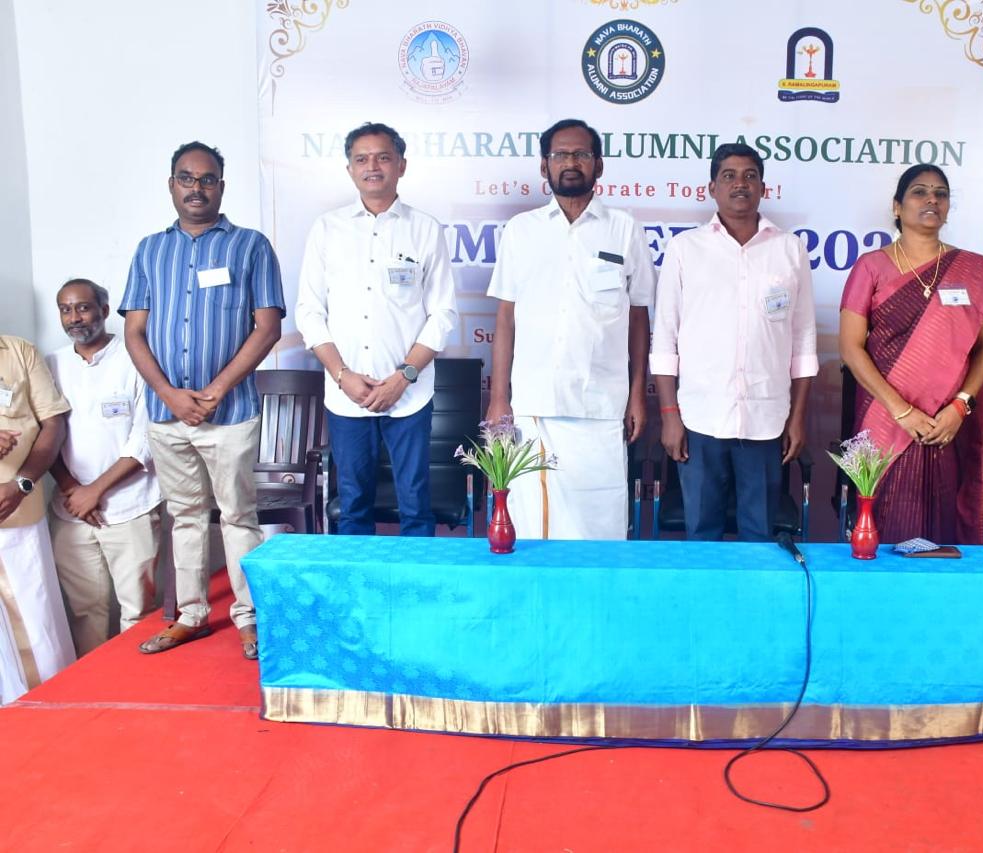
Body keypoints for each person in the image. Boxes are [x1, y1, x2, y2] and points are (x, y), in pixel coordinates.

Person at [120, 141, 286, 660]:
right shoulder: (149, 250)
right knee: (186, 516)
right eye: (187, 179)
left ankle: (249, 618)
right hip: (167, 414)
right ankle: (191, 616)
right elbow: (134, 332)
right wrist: (168, 394)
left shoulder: (251, 246)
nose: (197, 188)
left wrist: (215, 391)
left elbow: (267, 327)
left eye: (207, 179)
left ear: (222, 186)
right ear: (172, 185)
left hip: (230, 414)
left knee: (238, 516)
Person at [485, 118, 654, 540]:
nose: (571, 162)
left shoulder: (624, 228)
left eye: (581, 154)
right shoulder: (521, 230)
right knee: (533, 527)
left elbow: (638, 317)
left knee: (600, 524)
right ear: (544, 166)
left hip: (601, 405)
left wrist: (637, 393)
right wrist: (499, 397)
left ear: (599, 165)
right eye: (560, 154)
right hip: (534, 405)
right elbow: (505, 318)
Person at [296, 122, 458, 536]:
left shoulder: (425, 229)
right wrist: (343, 375)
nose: (373, 167)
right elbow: (309, 312)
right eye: (362, 159)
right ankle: (358, 581)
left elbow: (443, 314)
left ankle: (418, 579)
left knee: (416, 505)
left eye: (383, 157)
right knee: (353, 506)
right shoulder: (327, 229)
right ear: (349, 169)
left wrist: (403, 377)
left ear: (401, 165)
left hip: (409, 394)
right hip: (346, 393)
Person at [839, 164, 983, 544]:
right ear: (897, 206)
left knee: (943, 524)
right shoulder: (871, 266)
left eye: (941, 193)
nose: (931, 199)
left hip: (946, 423)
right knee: (883, 522)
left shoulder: (972, 272)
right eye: (919, 192)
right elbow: (851, 348)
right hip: (885, 417)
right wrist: (901, 411)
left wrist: (960, 406)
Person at [650, 143, 817, 541]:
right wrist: (670, 415)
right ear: (712, 188)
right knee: (701, 534)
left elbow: (803, 342)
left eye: (750, 176)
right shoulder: (685, 249)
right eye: (729, 176)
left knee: (760, 536)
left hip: (766, 419)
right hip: (700, 418)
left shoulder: (789, 249)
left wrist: (796, 418)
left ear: (763, 188)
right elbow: (665, 340)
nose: (740, 184)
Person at [46, 279, 162, 655]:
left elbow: (145, 438)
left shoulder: (136, 357)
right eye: (66, 309)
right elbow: (44, 434)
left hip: (130, 506)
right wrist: (73, 491)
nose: (74, 318)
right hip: (71, 511)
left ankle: (137, 682)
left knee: (138, 611)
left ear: (104, 310)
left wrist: (94, 491)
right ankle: (93, 687)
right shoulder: (52, 364)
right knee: (85, 612)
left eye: (83, 307)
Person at [0, 334, 74, 702]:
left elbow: (53, 423)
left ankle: (48, 709)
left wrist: (22, 484)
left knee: (36, 616)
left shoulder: (19, 352)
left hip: (17, 512)